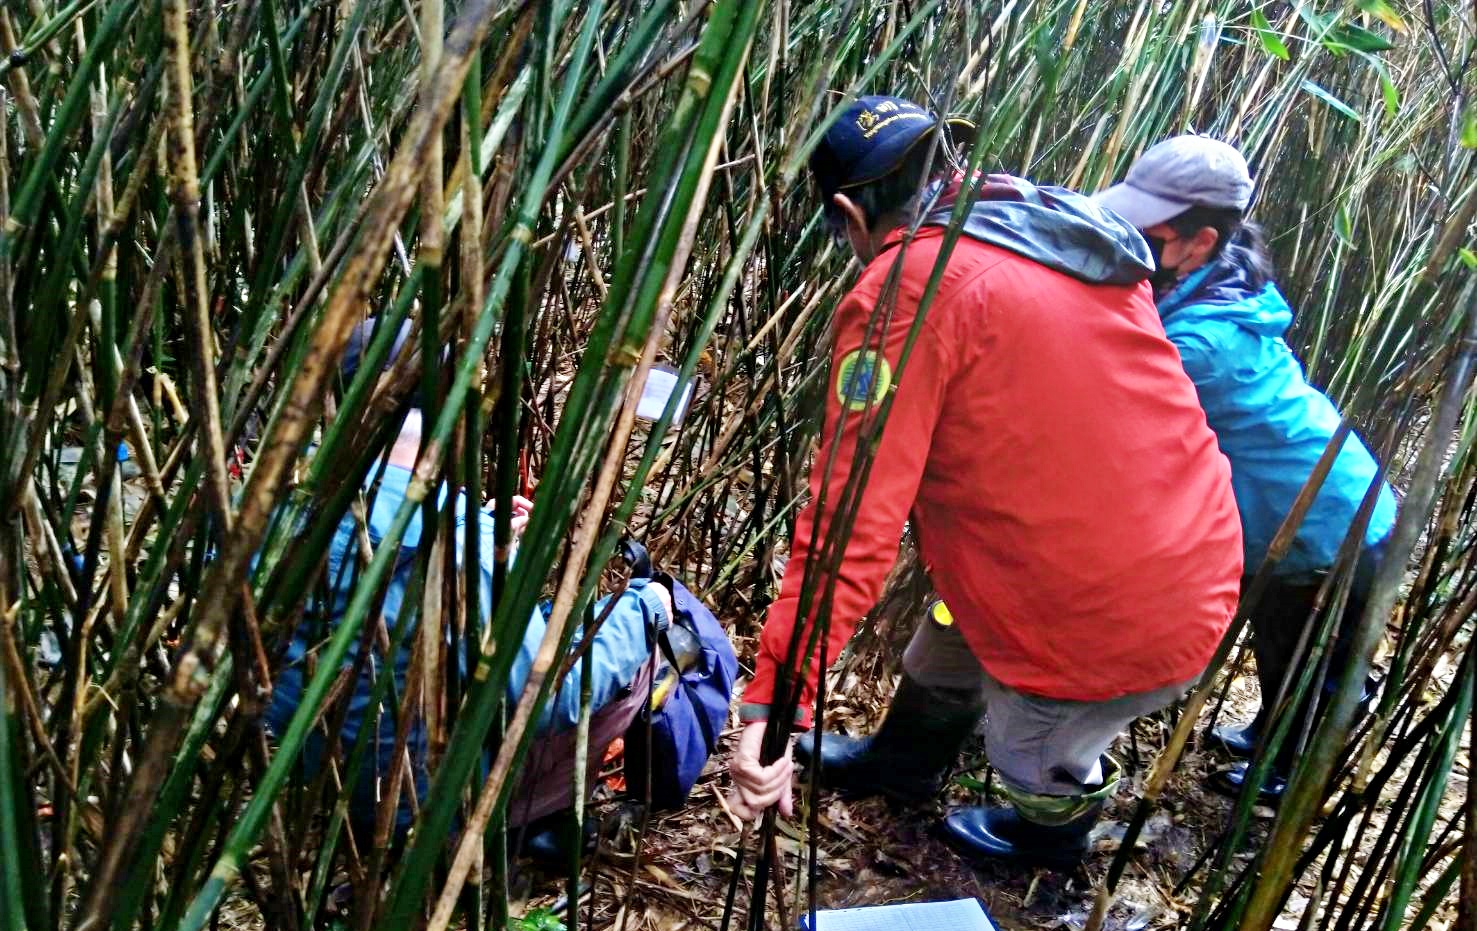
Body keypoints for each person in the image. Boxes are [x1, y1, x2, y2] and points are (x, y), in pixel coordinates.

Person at [727, 96, 1244, 871]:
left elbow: (851, 523)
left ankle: (1050, 840)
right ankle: (901, 764)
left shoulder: (908, 289)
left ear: (849, 215)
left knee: (1034, 749)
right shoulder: (1052, 226)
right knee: (947, 634)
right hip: (1185, 550)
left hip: (1110, 607)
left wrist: (776, 699)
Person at [265, 319, 673, 859]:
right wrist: (647, 607)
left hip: (311, 774)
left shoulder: (272, 506)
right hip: (422, 804)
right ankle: (521, 819)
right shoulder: (455, 540)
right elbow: (551, 697)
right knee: (634, 655)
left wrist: (485, 535)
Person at [1096, 136, 1397, 802]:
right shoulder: (1211, 280)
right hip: (1304, 504)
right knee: (1283, 640)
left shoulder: (1203, 344)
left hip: (1327, 521)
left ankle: (1293, 777)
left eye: (1146, 232)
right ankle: (1272, 735)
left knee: (1309, 661)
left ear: (1199, 241)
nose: (1126, 239)